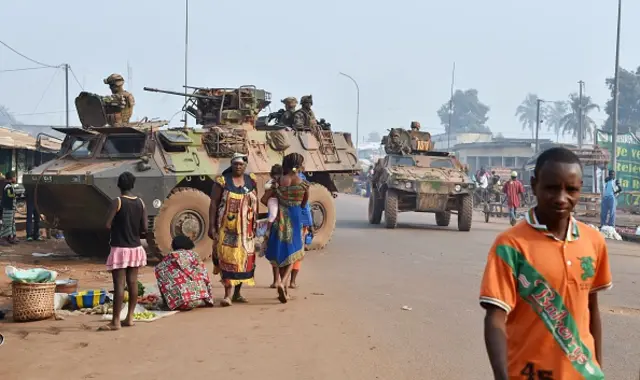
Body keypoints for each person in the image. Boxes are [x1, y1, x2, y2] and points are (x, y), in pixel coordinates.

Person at [480, 147, 612, 380]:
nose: (562, 198)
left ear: (581, 188)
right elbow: (495, 317)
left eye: (571, 189)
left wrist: (597, 369)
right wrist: (502, 376)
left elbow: (591, 309)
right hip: (527, 374)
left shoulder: (594, 242)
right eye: (552, 188)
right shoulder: (511, 245)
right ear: (534, 185)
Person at [208, 152, 258, 307]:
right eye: (235, 164)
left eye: (241, 164)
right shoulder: (223, 182)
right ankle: (227, 295)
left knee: (244, 262)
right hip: (227, 230)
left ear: (245, 166)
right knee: (228, 261)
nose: (238, 166)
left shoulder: (251, 181)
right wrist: (211, 226)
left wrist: (255, 224)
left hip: (246, 232)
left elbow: (255, 204)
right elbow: (214, 204)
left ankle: (237, 293)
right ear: (231, 164)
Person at [100, 172, 148, 331]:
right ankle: (130, 318)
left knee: (119, 284)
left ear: (118, 185)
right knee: (132, 283)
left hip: (120, 248)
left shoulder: (117, 202)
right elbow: (145, 228)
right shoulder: (140, 203)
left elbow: (107, 224)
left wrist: (118, 228)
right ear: (133, 185)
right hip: (135, 248)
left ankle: (115, 322)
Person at [264, 153, 309, 303]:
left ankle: (281, 285)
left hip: (280, 217)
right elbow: (303, 204)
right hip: (295, 217)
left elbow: (265, 199)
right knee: (294, 251)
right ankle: (283, 283)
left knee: (281, 250)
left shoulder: (280, 181)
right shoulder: (302, 182)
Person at [155, 235, 214, 311]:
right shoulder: (193, 255)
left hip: (180, 303)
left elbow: (159, 271)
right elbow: (204, 276)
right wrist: (208, 298)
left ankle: (168, 303)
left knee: (160, 272)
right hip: (199, 301)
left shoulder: (168, 258)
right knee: (202, 273)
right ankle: (202, 296)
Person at [262, 164, 283, 289]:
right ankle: (279, 281)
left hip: (280, 222)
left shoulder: (284, 184)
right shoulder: (272, 184)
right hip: (279, 223)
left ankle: (279, 281)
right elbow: (264, 199)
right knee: (277, 252)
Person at [25, 166, 42, 241]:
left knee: (37, 219)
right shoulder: (28, 179)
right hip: (31, 201)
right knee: (29, 218)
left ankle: (36, 235)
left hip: (37, 201)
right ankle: (29, 235)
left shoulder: (39, 178)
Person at [0, 171, 17, 245]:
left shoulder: (9, 185)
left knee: (11, 223)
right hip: (8, 208)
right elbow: (9, 195)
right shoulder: (8, 186)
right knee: (7, 223)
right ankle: (3, 238)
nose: (15, 178)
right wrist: (15, 195)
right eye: (14, 176)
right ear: (11, 178)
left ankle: (10, 236)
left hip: (10, 208)